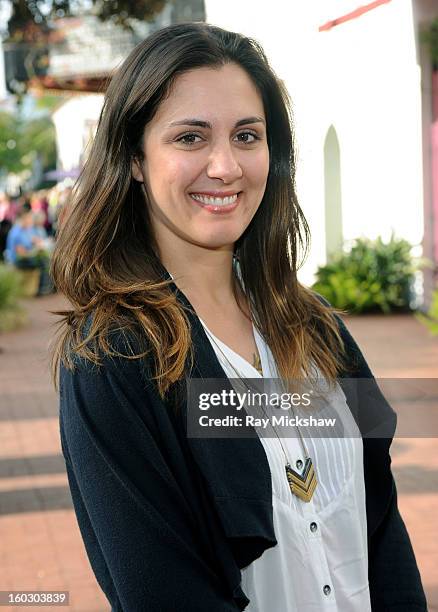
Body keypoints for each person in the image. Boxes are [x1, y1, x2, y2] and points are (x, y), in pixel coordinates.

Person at [52, 22, 426, 612]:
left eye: (247, 136)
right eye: (190, 138)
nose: (226, 166)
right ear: (134, 160)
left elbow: (380, 515)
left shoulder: (319, 330)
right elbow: (161, 591)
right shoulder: (112, 360)